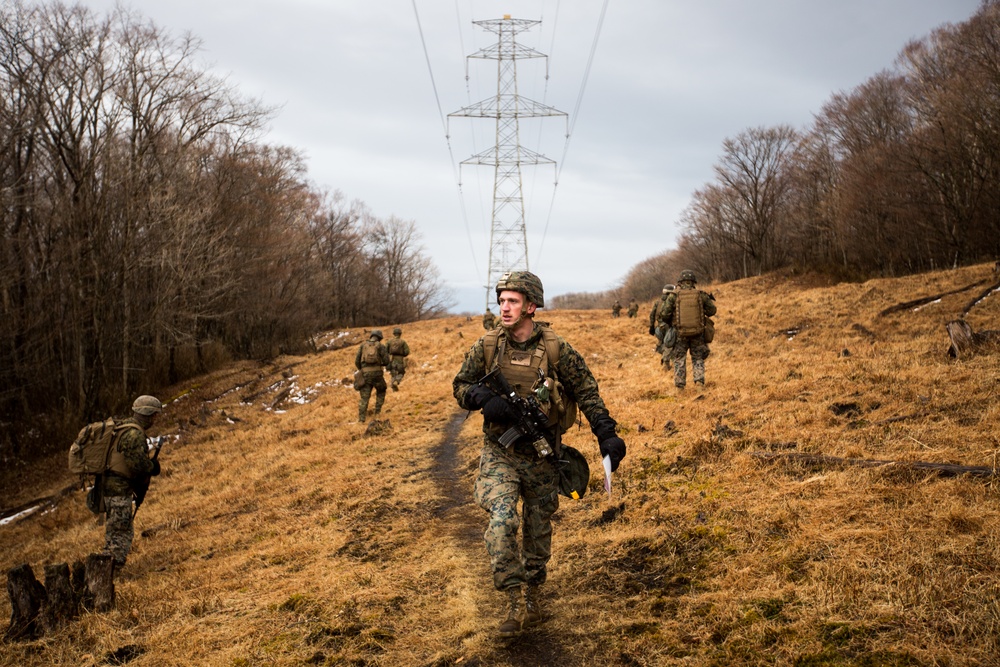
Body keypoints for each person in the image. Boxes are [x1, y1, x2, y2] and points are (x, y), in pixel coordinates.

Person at [453, 271, 627, 638]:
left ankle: (533, 595)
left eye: (513, 301)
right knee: (502, 523)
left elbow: (587, 390)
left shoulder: (555, 348)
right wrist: (482, 398)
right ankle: (512, 600)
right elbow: (460, 386)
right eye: (501, 300)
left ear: (531, 306)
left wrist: (606, 433)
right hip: (500, 452)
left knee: (537, 529)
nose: (504, 306)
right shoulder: (486, 346)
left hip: (543, 454)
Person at [102, 395, 163, 568]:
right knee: (120, 533)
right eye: (154, 415)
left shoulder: (123, 427)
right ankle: (111, 571)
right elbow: (136, 464)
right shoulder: (134, 434)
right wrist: (152, 467)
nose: (155, 419)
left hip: (111, 487)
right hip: (118, 490)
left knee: (115, 531)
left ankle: (107, 569)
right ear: (148, 414)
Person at [655, 270, 717, 389]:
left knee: (679, 359)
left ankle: (680, 387)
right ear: (693, 282)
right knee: (698, 358)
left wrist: (673, 322)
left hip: (680, 334)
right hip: (698, 333)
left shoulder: (673, 295)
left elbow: (664, 314)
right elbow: (712, 311)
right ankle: (699, 383)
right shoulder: (701, 294)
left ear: (680, 282)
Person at [355, 330, 389, 421]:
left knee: (364, 398)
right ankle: (377, 413)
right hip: (377, 374)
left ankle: (361, 419)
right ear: (380, 337)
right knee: (381, 390)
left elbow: (357, 361)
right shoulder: (381, 346)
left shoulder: (363, 345)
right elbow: (386, 361)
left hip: (365, 375)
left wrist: (362, 370)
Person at [648, 284, 675, 353]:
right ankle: (666, 359)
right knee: (670, 344)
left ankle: (659, 354)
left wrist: (651, 327)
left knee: (661, 341)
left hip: (659, 327)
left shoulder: (657, 302)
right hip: (670, 327)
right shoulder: (673, 301)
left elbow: (652, 315)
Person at [387, 327, 410, 391]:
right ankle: (396, 382)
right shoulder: (403, 342)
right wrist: (402, 354)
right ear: (400, 334)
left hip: (392, 360)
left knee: (393, 374)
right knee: (401, 373)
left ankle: (394, 388)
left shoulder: (389, 342)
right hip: (400, 360)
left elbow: (385, 351)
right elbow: (407, 352)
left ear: (394, 334)